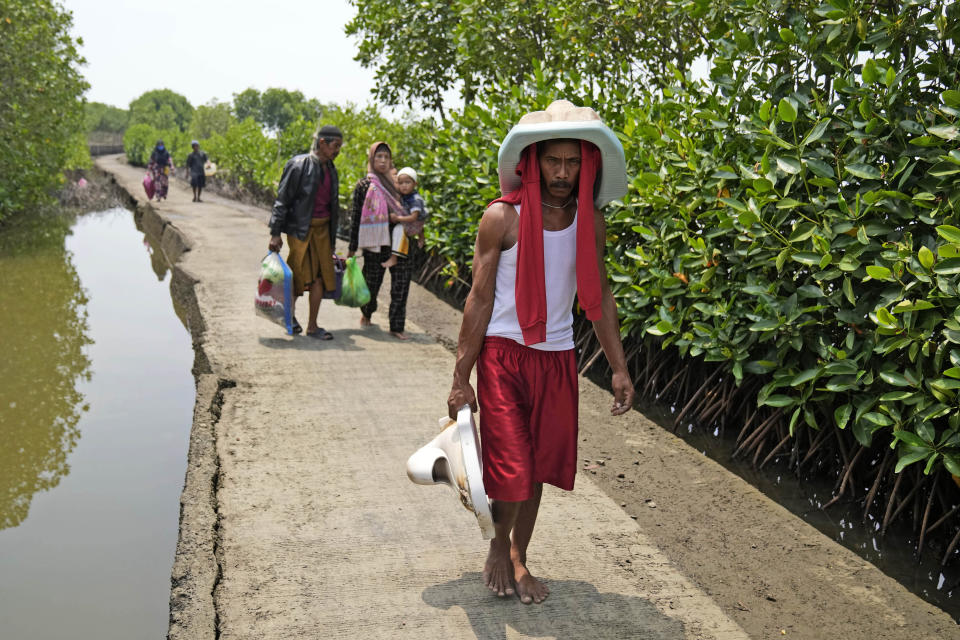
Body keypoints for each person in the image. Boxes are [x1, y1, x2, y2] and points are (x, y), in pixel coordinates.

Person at [446, 100, 635, 605]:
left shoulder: (588, 220)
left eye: (573, 163)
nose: (562, 173)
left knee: (540, 467)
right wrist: (461, 376)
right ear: (532, 160)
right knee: (512, 465)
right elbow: (479, 298)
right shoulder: (502, 217)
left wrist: (619, 368)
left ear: (586, 164)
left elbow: (600, 296)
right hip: (505, 354)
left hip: (557, 356)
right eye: (554, 161)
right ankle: (497, 545)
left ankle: (519, 556)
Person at [268, 124, 344, 339]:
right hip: (300, 231)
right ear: (322, 143)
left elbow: (333, 206)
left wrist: (331, 238)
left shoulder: (331, 169)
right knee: (296, 276)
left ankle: (313, 326)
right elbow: (282, 200)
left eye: (339, 147)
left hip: (322, 231)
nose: (337, 151)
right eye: (335, 146)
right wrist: (275, 233)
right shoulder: (298, 165)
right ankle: (289, 318)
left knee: (320, 278)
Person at [347, 142, 412, 341]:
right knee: (372, 282)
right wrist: (352, 247)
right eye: (378, 157)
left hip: (400, 242)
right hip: (376, 243)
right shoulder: (365, 185)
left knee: (401, 284)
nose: (382, 161)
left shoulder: (398, 184)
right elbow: (357, 215)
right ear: (371, 159)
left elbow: (413, 207)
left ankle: (396, 326)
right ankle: (367, 313)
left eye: (386, 157)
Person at [382, 166, 427, 269]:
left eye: (407, 182)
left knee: (398, 229)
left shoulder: (415, 199)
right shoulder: (404, 195)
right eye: (401, 183)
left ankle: (394, 258)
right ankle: (421, 237)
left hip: (415, 224)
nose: (404, 186)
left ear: (415, 184)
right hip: (417, 224)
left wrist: (398, 218)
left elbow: (414, 218)